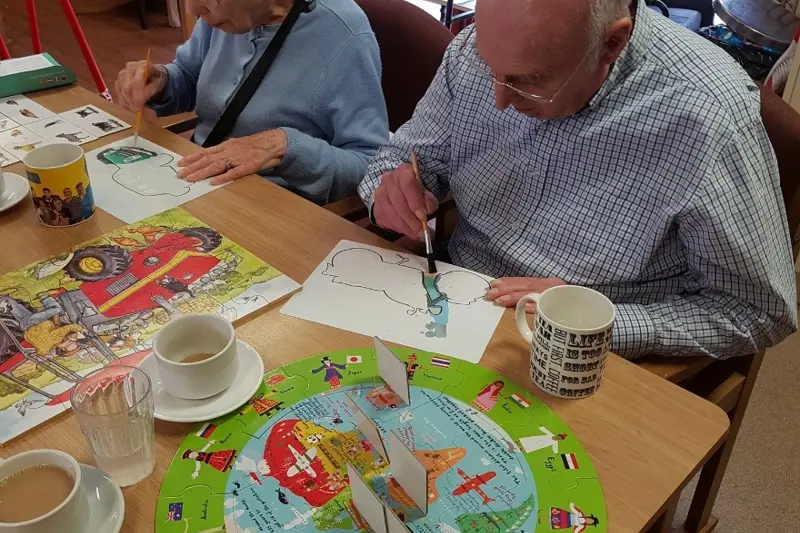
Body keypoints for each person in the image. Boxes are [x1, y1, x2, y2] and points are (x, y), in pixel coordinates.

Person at [359, 0, 797, 360]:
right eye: (488, 66)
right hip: (453, 300)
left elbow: (759, 310)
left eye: (530, 81)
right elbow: (401, 158)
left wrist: (599, 321)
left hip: (584, 355)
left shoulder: (706, 115)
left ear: (611, 43)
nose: (499, 99)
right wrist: (391, 191)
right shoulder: (481, 48)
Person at [114, 0, 389, 205]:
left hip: (272, 206)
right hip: (197, 184)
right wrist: (161, 81)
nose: (193, 9)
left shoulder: (344, 37)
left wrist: (287, 147)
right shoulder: (223, 17)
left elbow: (369, 165)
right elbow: (189, 76)